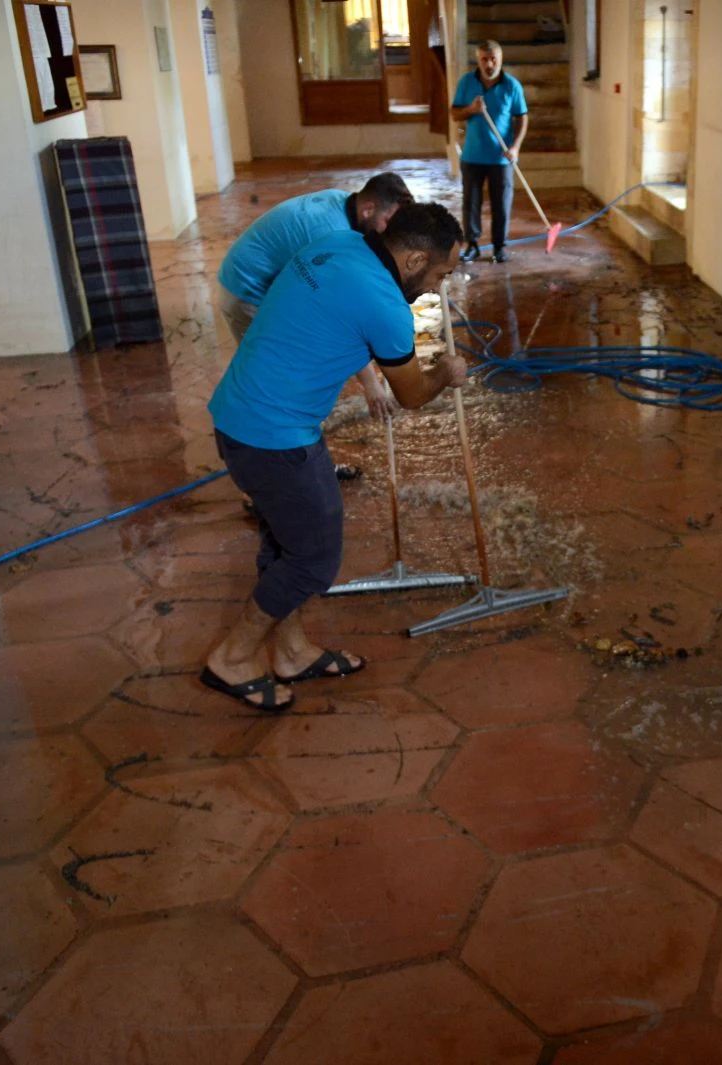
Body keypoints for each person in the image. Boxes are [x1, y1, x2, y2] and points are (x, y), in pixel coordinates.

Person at [202, 203, 468, 712]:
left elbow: (326, 320)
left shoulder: (336, 246)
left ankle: (293, 651)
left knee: (285, 542)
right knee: (313, 559)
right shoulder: (387, 306)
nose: (437, 289)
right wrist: (448, 372)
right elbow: (411, 394)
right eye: (438, 274)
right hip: (273, 437)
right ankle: (232, 658)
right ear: (413, 259)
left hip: (240, 415)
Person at [217, 172, 415, 425]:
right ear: (368, 209)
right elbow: (340, 317)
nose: (389, 232)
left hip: (259, 274)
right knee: (277, 380)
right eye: (388, 221)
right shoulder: (328, 234)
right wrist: (371, 384)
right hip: (245, 292)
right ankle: (270, 444)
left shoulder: (343, 201)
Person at [451, 40, 528, 264]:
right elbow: (455, 113)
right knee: (471, 204)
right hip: (472, 156)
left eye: (493, 58)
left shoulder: (512, 86)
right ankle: (473, 245)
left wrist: (515, 147)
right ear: (478, 60)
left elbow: (522, 117)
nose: (489, 63)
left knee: (501, 204)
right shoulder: (466, 82)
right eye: (485, 59)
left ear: (500, 59)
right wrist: (471, 109)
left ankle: (499, 247)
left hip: (501, 158)